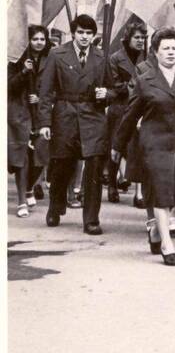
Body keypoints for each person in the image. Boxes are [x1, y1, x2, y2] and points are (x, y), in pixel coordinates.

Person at [113, 28, 175, 266]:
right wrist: (117, 145)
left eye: (174, 48)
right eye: (165, 48)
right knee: (161, 192)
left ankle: (156, 231)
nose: (171, 52)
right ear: (155, 52)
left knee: (173, 193)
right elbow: (130, 115)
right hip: (153, 144)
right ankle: (167, 244)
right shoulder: (145, 80)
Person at [37, 14, 110, 235]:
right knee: (62, 165)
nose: (85, 37)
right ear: (73, 33)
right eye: (80, 33)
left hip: (93, 117)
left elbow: (113, 88)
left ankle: (91, 219)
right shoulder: (57, 55)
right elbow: (46, 92)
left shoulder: (100, 57)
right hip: (65, 115)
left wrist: (105, 93)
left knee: (94, 167)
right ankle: (55, 205)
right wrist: (44, 123)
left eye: (89, 33)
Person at [8, 25, 52, 217]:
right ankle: (21, 200)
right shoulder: (15, 59)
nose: (39, 43)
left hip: (41, 113)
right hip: (20, 113)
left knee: (43, 153)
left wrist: (41, 98)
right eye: (35, 39)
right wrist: (24, 72)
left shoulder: (50, 58)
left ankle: (29, 187)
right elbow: (8, 87)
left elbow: (55, 84)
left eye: (42, 39)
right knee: (22, 156)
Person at [104, 21, 147, 204]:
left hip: (139, 108)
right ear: (128, 38)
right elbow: (113, 84)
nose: (140, 41)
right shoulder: (115, 58)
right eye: (137, 37)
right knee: (116, 146)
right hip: (119, 107)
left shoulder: (146, 58)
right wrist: (134, 88)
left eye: (143, 38)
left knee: (137, 149)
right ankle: (112, 184)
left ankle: (139, 192)